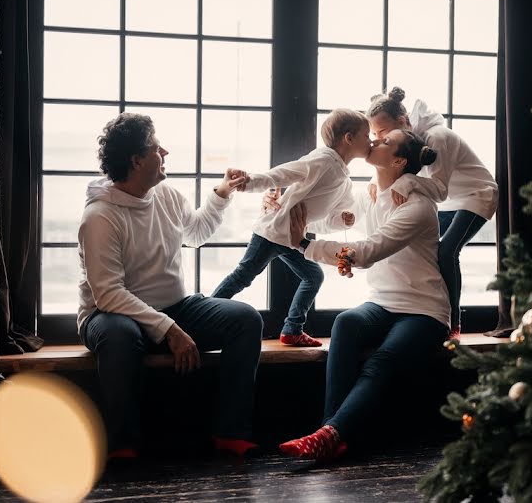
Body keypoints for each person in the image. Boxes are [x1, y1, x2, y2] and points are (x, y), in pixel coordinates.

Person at [77, 112, 263, 460]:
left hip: (174, 308)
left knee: (246, 319)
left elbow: (195, 233)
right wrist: (169, 330)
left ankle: (230, 433)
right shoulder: (100, 216)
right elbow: (108, 294)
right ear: (136, 160)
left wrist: (222, 193)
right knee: (119, 336)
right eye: (155, 148)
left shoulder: (166, 194)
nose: (165, 152)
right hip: (110, 315)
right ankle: (123, 444)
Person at [276, 128, 448, 461]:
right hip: (383, 302)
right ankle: (330, 433)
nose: (375, 140)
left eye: (386, 141)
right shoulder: (372, 195)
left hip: (424, 310)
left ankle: (329, 434)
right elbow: (332, 217)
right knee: (346, 322)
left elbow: (367, 252)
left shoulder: (417, 207)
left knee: (381, 361)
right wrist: (281, 202)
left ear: (398, 161)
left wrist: (304, 245)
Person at [211, 108, 370, 347]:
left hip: (292, 239)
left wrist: (343, 220)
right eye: (367, 135)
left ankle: (292, 330)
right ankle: (206, 315)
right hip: (272, 232)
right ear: (349, 138)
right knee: (243, 276)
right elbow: (284, 173)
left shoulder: (344, 182)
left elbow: (324, 221)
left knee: (313, 276)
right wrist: (248, 183)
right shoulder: (323, 160)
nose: (371, 141)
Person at [367, 87, 500, 340]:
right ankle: (416, 309)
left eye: (382, 132)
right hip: (451, 200)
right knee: (428, 251)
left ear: (403, 121)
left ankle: (454, 323)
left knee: (448, 251)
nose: (378, 138)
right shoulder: (408, 141)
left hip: (477, 194)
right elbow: (398, 168)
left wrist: (405, 183)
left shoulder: (437, 137)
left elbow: (438, 190)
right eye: (374, 134)